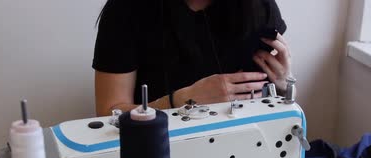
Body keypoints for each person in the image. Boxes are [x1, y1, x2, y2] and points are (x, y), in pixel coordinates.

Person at [93, 0, 292, 117]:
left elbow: (280, 102)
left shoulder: (258, 7)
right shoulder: (126, 9)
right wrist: (179, 101)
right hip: (161, 153)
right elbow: (108, 113)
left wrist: (284, 84)